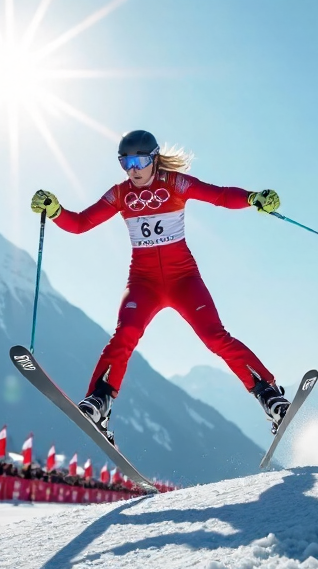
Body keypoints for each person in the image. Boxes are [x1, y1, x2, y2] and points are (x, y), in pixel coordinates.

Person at [29, 129, 290, 442]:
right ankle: (99, 401)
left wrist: (252, 198)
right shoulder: (119, 194)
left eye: (139, 160)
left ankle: (269, 395)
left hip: (184, 280)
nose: (133, 169)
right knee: (125, 334)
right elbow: (81, 223)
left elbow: (220, 196)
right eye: (125, 162)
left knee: (215, 337)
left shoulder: (175, 183)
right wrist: (55, 211)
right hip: (144, 283)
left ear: (153, 159)